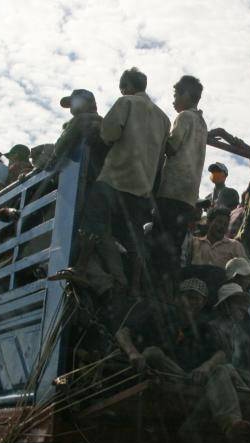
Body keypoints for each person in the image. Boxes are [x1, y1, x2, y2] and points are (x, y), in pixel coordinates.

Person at [49, 68, 170, 297]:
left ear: (125, 87)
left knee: (93, 219)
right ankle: (135, 287)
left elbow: (109, 134)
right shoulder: (164, 119)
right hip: (142, 186)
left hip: (116, 176)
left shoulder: (125, 102)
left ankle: (81, 267)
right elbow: (161, 156)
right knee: (134, 236)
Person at [115, 278, 250, 439]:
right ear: (177, 299)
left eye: (197, 299)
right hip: (162, 373)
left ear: (203, 303)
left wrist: (206, 366)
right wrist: (133, 353)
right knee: (152, 352)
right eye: (188, 297)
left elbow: (221, 354)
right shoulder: (159, 316)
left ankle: (231, 423)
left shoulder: (203, 328)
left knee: (221, 369)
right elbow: (122, 333)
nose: (192, 303)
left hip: (189, 378)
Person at [153, 75, 207, 283]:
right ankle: (169, 287)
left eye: (176, 95)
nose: (174, 100)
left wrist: (157, 135)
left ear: (186, 95)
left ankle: (158, 285)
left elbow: (172, 147)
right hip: (188, 196)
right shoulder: (202, 123)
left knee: (159, 245)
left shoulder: (184, 117)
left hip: (171, 191)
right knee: (174, 247)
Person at [208, 283, 250, 393]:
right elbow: (224, 364)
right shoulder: (211, 328)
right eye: (238, 303)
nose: (244, 308)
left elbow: (249, 366)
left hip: (244, 380)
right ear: (225, 304)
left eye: (245, 304)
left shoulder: (243, 333)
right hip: (222, 382)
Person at [51, 89, 107, 175]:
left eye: (74, 102)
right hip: (100, 175)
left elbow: (59, 150)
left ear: (85, 102)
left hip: (86, 177)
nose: (71, 107)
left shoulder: (80, 120)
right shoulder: (103, 123)